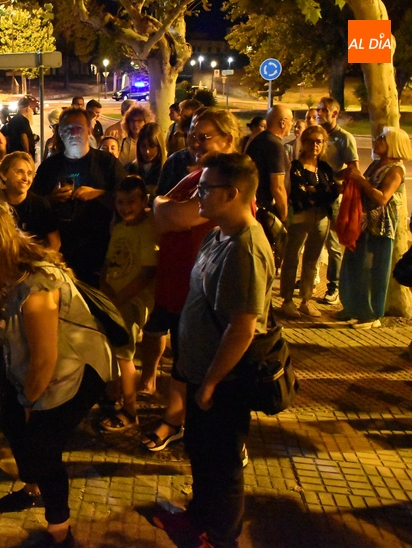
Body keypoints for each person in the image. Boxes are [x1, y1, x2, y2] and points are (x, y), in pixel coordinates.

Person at [0, 197, 113, 547]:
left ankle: (60, 529)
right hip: (28, 361)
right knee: (12, 424)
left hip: (77, 366)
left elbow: (45, 360)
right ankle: (32, 489)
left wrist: (30, 404)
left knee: (42, 445)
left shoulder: (36, 283)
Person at [154, 152, 274, 548]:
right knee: (201, 452)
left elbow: (242, 327)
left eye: (205, 189)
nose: (197, 196)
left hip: (223, 380)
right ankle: (198, 518)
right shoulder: (217, 233)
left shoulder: (245, 249)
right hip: (199, 370)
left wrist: (210, 383)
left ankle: (221, 538)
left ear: (232, 194)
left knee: (222, 464)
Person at [142, 108, 240, 453]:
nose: (194, 143)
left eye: (204, 136)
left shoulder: (227, 179)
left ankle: (216, 437)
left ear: (228, 139)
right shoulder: (197, 175)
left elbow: (178, 215)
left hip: (202, 289)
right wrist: (164, 209)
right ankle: (180, 419)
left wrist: (161, 205)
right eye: (191, 135)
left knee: (199, 361)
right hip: (177, 283)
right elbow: (161, 217)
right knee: (182, 357)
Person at [31, 108, 127, 287]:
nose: (74, 133)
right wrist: (49, 200)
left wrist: (99, 194)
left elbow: (127, 201)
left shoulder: (106, 163)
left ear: (89, 130)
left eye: (79, 128)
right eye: (68, 129)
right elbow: (32, 206)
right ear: (60, 133)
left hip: (99, 251)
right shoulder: (49, 167)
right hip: (60, 252)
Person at [98, 175, 158, 432]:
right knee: (111, 349)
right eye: (120, 202)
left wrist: (118, 299)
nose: (125, 207)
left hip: (131, 301)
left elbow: (147, 273)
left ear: (144, 201)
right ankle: (113, 393)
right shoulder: (120, 228)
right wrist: (104, 289)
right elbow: (109, 262)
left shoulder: (148, 229)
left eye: (131, 201)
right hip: (113, 299)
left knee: (124, 354)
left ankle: (130, 410)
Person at [338, 127, 412, 329]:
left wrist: (360, 180)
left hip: (380, 227)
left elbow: (382, 198)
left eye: (382, 138)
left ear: (393, 144)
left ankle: (371, 315)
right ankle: (355, 308)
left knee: (373, 270)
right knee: (356, 266)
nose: (377, 140)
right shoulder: (376, 164)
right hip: (364, 225)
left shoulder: (395, 170)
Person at [280, 125, 338, 319]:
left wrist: (315, 191)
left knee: (312, 260)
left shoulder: (325, 169)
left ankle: (306, 299)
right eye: (311, 141)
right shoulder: (296, 167)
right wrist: (320, 192)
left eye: (319, 142)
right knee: (292, 257)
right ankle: (287, 299)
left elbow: (332, 193)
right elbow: (300, 194)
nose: (315, 145)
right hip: (300, 217)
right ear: (303, 143)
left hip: (321, 218)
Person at [317, 97, 361, 306]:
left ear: (334, 113)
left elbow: (353, 169)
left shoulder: (344, 138)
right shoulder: (316, 135)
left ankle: (334, 286)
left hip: (332, 198)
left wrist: (333, 178)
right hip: (313, 196)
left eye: (324, 110)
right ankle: (309, 281)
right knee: (312, 240)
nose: (319, 113)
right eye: (318, 109)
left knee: (333, 244)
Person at [0, 152, 60, 250]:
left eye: (29, 173)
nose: (25, 178)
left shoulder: (40, 205)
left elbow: (55, 243)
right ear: (4, 174)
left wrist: (43, 258)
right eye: (19, 172)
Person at [245, 104, 292, 223]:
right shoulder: (275, 145)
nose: (292, 124)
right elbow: (277, 186)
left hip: (255, 207)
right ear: (283, 123)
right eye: (291, 120)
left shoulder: (257, 139)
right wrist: (284, 216)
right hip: (268, 211)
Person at [126, 122, 166, 197]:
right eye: (143, 146)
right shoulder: (130, 169)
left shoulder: (167, 169)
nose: (147, 151)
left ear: (159, 146)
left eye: (152, 146)